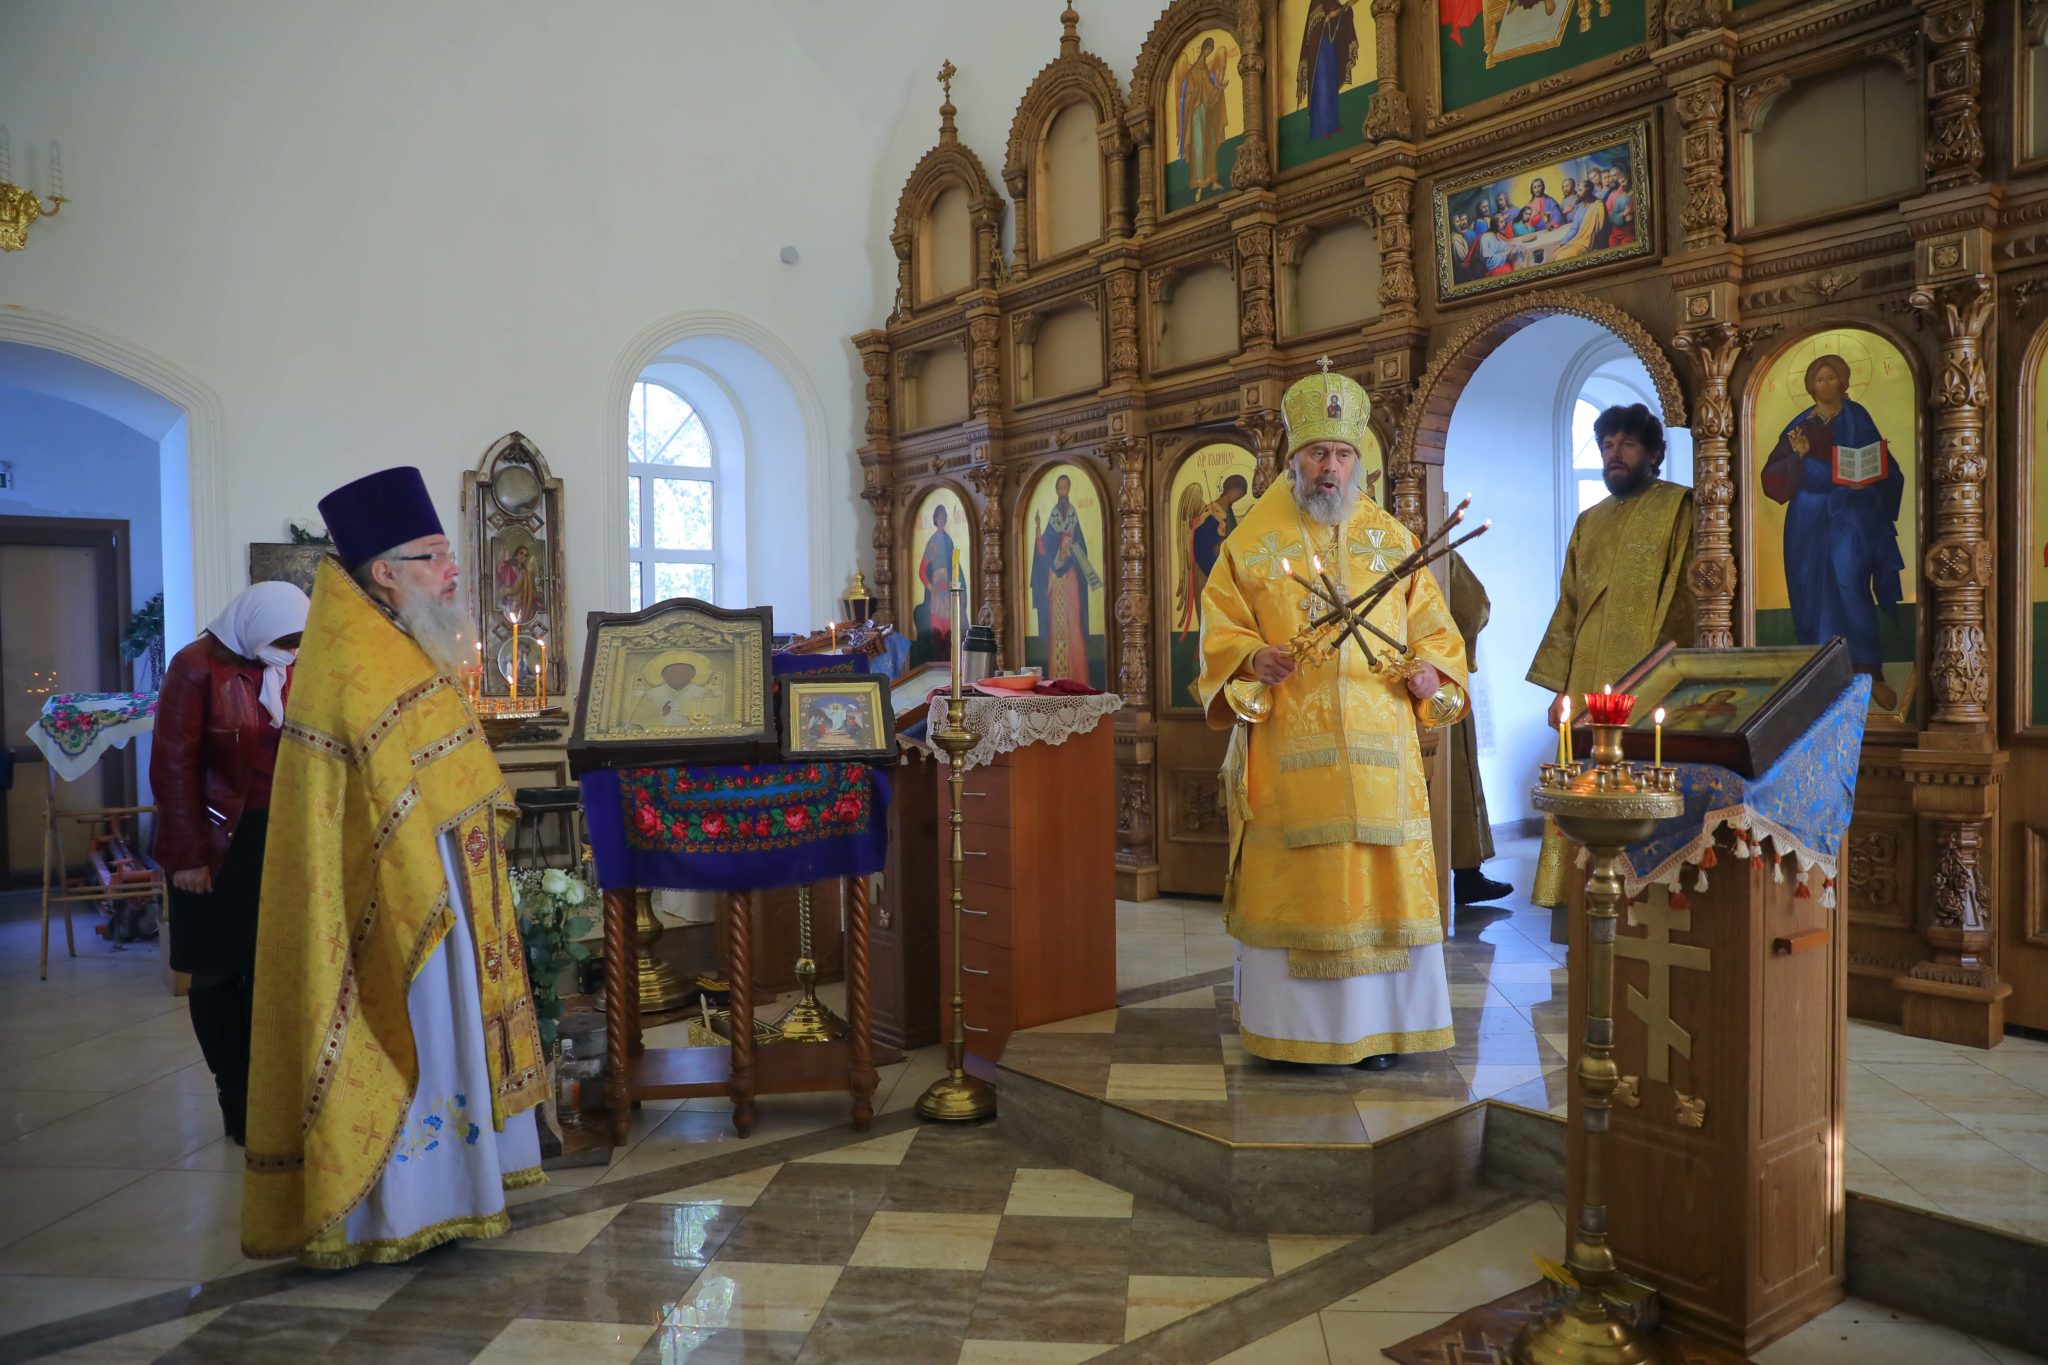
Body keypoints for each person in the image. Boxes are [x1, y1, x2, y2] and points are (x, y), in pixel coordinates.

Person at [242, 465, 547, 1268]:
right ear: (384, 571)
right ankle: (396, 1205)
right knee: (416, 1027)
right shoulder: (355, 659)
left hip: (446, 880)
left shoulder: (401, 641)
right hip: (398, 893)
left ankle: (459, 1188)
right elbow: (366, 806)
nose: (453, 571)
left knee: (450, 1035)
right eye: (435, 555)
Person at [1198, 366, 1468, 1069]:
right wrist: (1254, 659)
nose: (1330, 467)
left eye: (1342, 454)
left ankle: (1383, 1032)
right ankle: (1298, 1037)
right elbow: (1220, 631)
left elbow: (1439, 637)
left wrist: (1428, 672)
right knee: (1305, 886)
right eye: (1318, 452)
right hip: (1292, 755)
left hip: (1384, 757)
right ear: (1292, 459)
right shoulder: (1252, 542)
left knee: (1381, 886)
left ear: (1359, 463)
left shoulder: (1396, 539)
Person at [151, 580, 311, 1146]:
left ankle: (273, 1092)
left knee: (269, 969)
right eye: (283, 639)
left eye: (297, 640)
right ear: (253, 627)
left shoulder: (292, 666)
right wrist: (189, 856)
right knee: (218, 969)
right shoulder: (195, 667)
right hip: (215, 841)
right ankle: (234, 1093)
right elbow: (172, 767)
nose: (290, 649)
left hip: (280, 837)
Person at [1527, 404, 1695, 911]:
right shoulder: (1589, 521)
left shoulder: (1678, 507)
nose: (1614, 454)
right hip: (1585, 684)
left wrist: (1665, 675)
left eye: (1626, 444)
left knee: (1637, 785)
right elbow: (1569, 604)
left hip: (1642, 681)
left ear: (1654, 453)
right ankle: (1576, 906)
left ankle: (1639, 903)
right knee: (1577, 786)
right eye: (1606, 445)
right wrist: (1559, 685)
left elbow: (1682, 596)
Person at [1759, 353, 1905, 710]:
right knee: (1809, 590)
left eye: (1830, 378)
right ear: (1810, 387)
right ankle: (1818, 674)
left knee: (1849, 583)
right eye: (1818, 380)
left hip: (1850, 513)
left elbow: (1884, 466)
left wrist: (1868, 481)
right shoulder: (1799, 426)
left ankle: (1868, 671)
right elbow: (1771, 477)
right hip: (1807, 516)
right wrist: (1800, 457)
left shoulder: (1858, 418)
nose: (1824, 385)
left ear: (1843, 382)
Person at [1446, 552, 1511, 906]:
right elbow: (1474, 606)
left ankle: (1467, 875)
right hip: (1436, 680)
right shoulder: (1432, 549)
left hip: (1425, 682)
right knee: (1456, 775)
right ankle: (1466, 876)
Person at [1030, 474, 1103, 684]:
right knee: (1057, 628)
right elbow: (1045, 545)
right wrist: (1038, 533)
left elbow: (1081, 544)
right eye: (1060, 489)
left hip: (1070, 577)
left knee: (1074, 623)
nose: (1063, 492)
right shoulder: (1054, 515)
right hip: (1056, 579)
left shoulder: (1072, 514)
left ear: (1069, 490)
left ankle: (1078, 678)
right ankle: (1058, 680)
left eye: (1065, 488)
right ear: (1056, 491)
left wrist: (1070, 550)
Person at [1295, 0, 1361, 144]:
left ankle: (1333, 125)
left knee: (1331, 87)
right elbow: (1316, 24)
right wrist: (1333, 15)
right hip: (1318, 53)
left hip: (1329, 48)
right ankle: (1321, 129)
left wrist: (1346, 9)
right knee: (1322, 88)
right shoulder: (1315, 3)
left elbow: (1340, 17)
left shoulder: (1332, 2)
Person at [912, 504, 958, 668]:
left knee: (950, 634)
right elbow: (922, 570)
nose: (942, 520)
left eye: (944, 517)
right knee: (938, 635)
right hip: (937, 595)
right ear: (935, 519)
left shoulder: (948, 540)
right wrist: (931, 588)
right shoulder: (933, 543)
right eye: (939, 517)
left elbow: (955, 567)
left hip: (949, 593)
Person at [629, 651, 722, 731]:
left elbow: (715, 721)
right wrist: (660, 714)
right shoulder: (652, 695)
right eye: (673, 673)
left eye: (683, 674)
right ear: (664, 676)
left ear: (691, 675)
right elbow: (637, 723)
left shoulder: (702, 693)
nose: (677, 677)